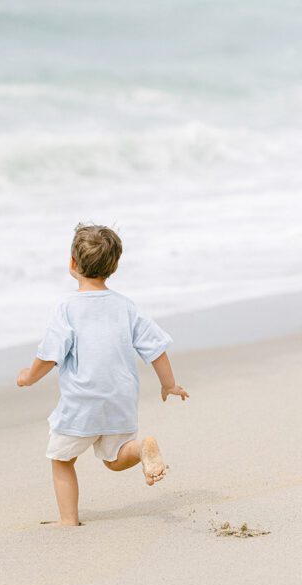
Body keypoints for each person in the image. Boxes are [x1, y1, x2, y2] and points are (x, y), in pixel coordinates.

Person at [16, 223, 189, 526]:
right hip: (119, 399)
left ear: (72, 263)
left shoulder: (67, 307)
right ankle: (140, 449)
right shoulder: (125, 306)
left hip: (82, 403)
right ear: (114, 266)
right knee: (115, 458)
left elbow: (50, 355)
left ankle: (68, 520)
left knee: (62, 459)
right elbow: (156, 348)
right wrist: (169, 384)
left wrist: (28, 377)